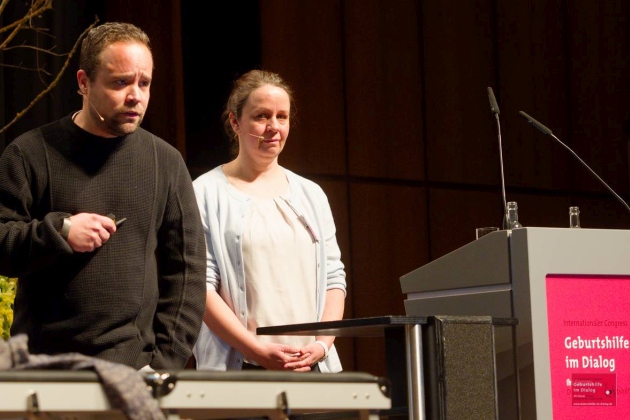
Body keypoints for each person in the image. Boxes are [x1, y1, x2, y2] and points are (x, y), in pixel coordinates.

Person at [0, 22, 207, 371]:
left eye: (144, 83)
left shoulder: (165, 162)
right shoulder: (30, 153)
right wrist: (61, 232)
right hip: (44, 370)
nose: (136, 96)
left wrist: (163, 365)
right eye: (120, 82)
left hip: (134, 370)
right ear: (84, 82)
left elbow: (187, 274)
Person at [193, 70, 346, 373]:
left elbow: (333, 278)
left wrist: (321, 346)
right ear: (235, 122)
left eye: (282, 117)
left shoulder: (311, 194)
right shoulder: (206, 192)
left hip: (312, 364)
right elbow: (201, 287)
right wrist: (256, 350)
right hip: (242, 366)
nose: (273, 127)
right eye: (261, 116)